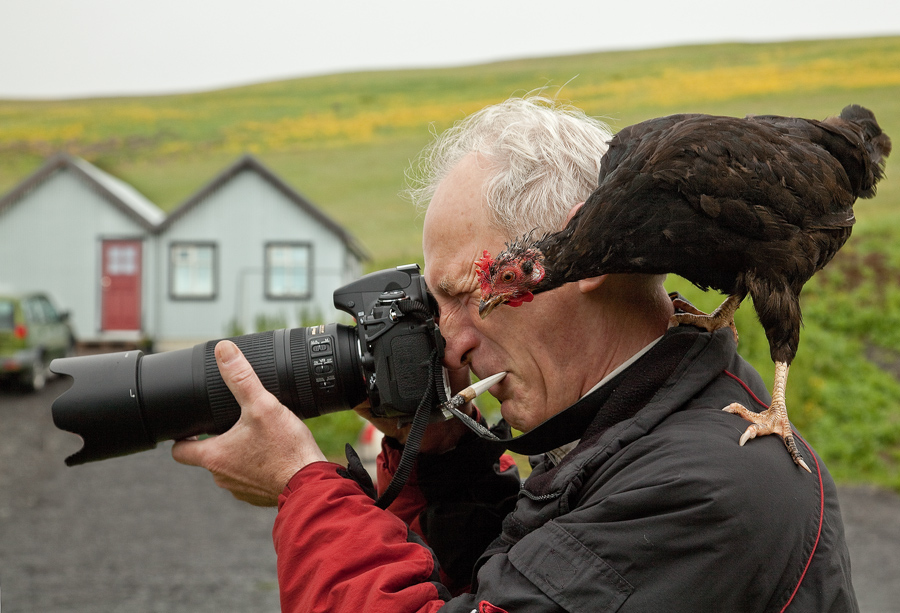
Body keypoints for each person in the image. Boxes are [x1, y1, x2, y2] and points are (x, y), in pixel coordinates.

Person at [172, 97, 859, 612]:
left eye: (469, 295)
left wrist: (306, 491)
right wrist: (442, 462)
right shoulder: (632, 435)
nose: (450, 340)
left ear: (580, 259)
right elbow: (511, 582)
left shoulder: (706, 485)